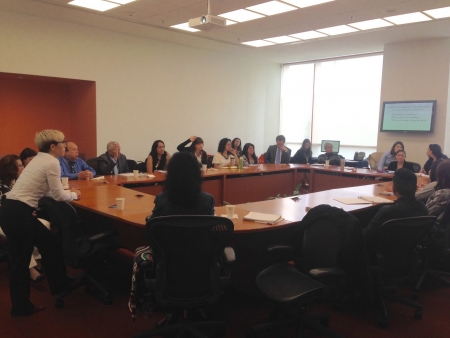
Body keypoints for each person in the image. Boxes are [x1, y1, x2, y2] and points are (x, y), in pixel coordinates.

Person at [0, 130, 81, 317]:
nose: (65, 145)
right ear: (53, 147)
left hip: (13, 211)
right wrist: (75, 194)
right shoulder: (51, 162)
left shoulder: (39, 159)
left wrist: (66, 192)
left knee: (49, 243)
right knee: (20, 262)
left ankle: (60, 282)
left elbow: (44, 190)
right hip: (17, 214)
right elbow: (59, 196)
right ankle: (20, 308)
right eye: (62, 143)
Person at [0, 154, 48, 284]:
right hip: (5, 220)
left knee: (45, 224)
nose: (23, 168)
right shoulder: (1, 186)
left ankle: (37, 260)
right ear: (10, 169)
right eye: (20, 166)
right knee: (23, 232)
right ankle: (31, 269)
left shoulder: (19, 182)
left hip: (21, 216)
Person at [363, 168, 429, 262]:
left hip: (381, 259)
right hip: (410, 259)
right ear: (416, 188)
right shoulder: (424, 210)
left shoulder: (387, 212)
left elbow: (366, 238)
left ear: (394, 188)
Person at [151, 152, 215, 218]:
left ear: (170, 174)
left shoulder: (161, 200)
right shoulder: (208, 200)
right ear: (197, 173)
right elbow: (211, 224)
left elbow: (152, 224)